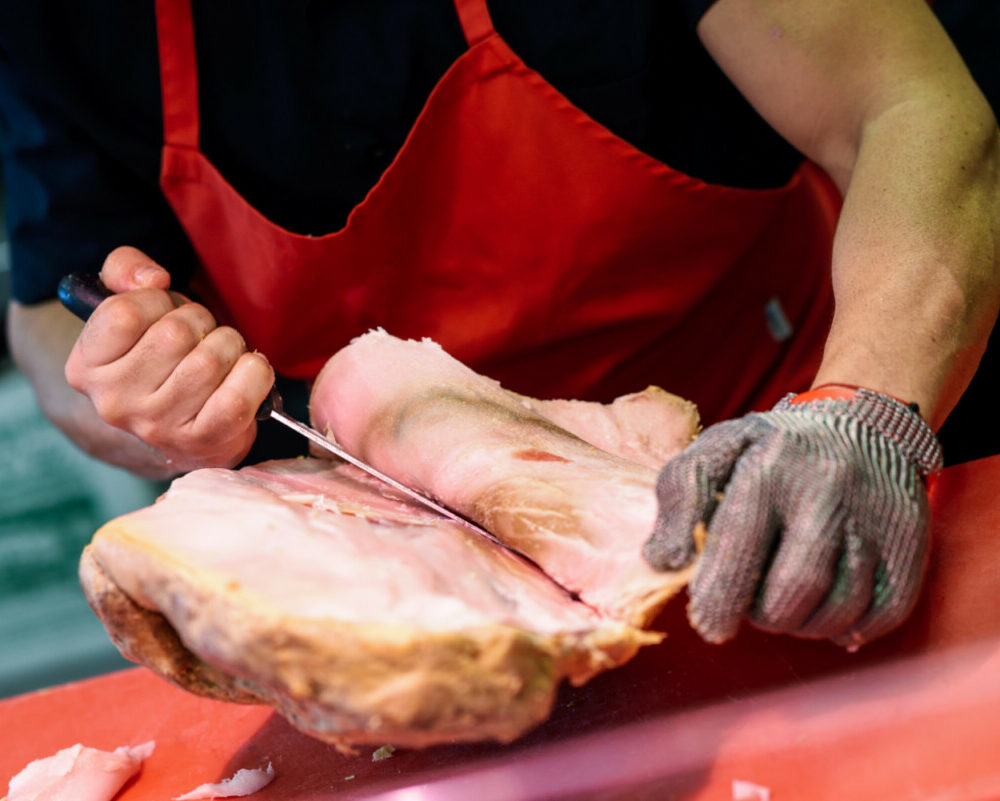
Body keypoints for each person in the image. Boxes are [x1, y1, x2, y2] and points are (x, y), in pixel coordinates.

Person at [2, 1, 998, 648]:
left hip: (813, 459)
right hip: (431, 570)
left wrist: (858, 410)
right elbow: (49, 309)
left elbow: (905, 105)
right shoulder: (63, 27)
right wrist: (135, 388)